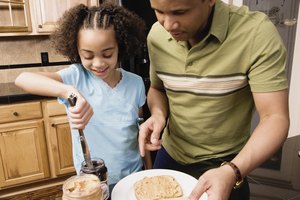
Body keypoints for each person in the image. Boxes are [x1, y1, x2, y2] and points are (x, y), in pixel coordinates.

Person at [138, 0, 290, 200]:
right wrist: (158, 114)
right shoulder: (156, 35)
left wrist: (232, 170)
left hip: (228, 163)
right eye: (158, 11)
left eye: (180, 12)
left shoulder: (256, 33)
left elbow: (275, 117)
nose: (168, 25)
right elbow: (158, 89)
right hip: (170, 154)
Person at [15, 3, 152, 189]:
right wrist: (68, 91)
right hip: (93, 180)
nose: (98, 63)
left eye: (107, 54)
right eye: (88, 56)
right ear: (77, 51)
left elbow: (140, 130)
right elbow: (23, 78)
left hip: (132, 176)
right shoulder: (75, 77)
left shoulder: (135, 83)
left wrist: (149, 171)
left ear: (121, 45)